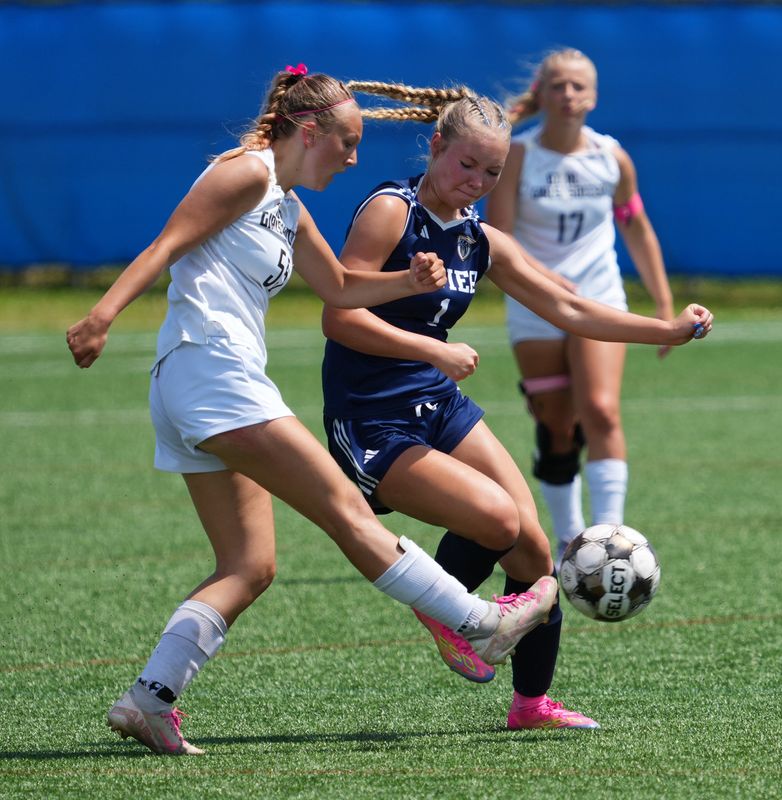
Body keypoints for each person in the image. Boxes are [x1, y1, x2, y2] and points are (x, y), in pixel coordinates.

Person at [65, 65, 559, 756]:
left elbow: (340, 287)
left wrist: (408, 280)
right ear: (308, 130)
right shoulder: (243, 172)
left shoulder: (289, 207)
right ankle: (478, 621)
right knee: (346, 512)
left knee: (249, 565)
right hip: (212, 373)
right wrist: (102, 315)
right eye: (347, 142)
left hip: (203, 385)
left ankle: (149, 701)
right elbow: (166, 245)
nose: (354, 157)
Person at [320, 79, 712, 729]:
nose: (476, 180)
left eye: (492, 172)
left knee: (534, 554)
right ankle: (445, 606)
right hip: (370, 417)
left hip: (434, 401)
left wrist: (666, 328)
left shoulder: (478, 239)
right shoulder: (391, 211)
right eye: (466, 163)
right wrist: (434, 352)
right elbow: (339, 317)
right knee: (499, 522)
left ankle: (531, 704)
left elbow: (569, 307)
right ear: (437, 146)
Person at [486, 48, 677, 563]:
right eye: (558, 85)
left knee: (600, 410)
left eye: (577, 86)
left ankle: (611, 539)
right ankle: (572, 540)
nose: (568, 95)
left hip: (598, 295)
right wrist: (547, 280)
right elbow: (498, 236)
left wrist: (662, 301)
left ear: (593, 96)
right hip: (534, 300)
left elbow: (634, 225)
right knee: (555, 422)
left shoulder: (611, 158)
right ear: (541, 94)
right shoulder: (518, 157)